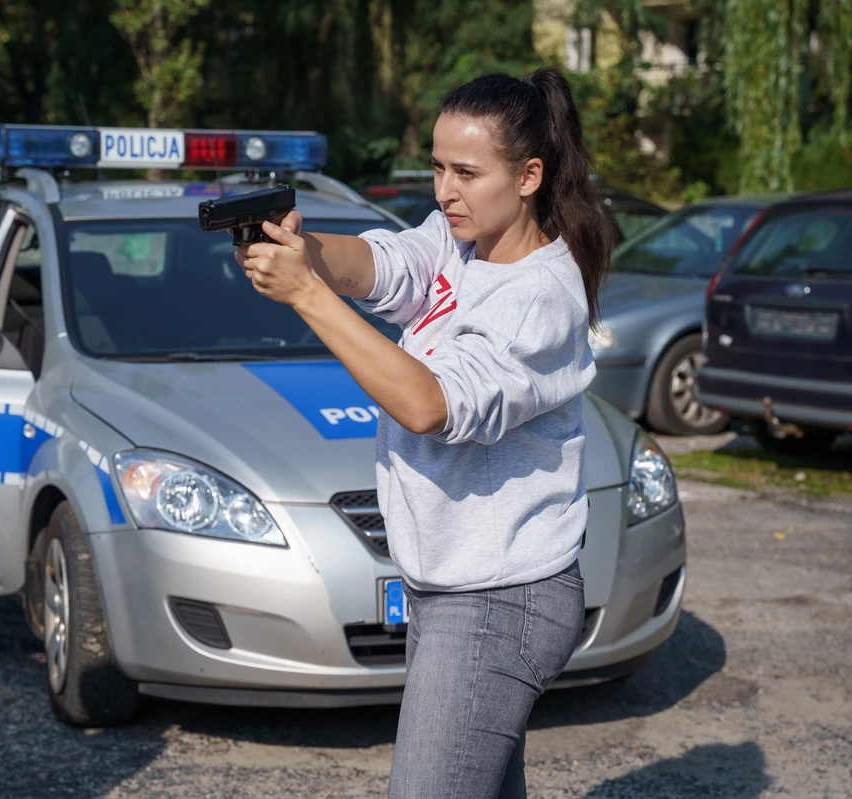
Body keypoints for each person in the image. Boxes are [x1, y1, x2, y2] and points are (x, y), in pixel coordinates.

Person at [234, 66, 614, 799]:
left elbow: (429, 404)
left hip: (500, 596)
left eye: (467, 172)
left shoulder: (539, 297)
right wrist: (297, 251)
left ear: (529, 175)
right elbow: (383, 264)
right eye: (439, 167)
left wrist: (306, 295)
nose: (445, 191)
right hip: (451, 586)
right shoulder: (461, 238)